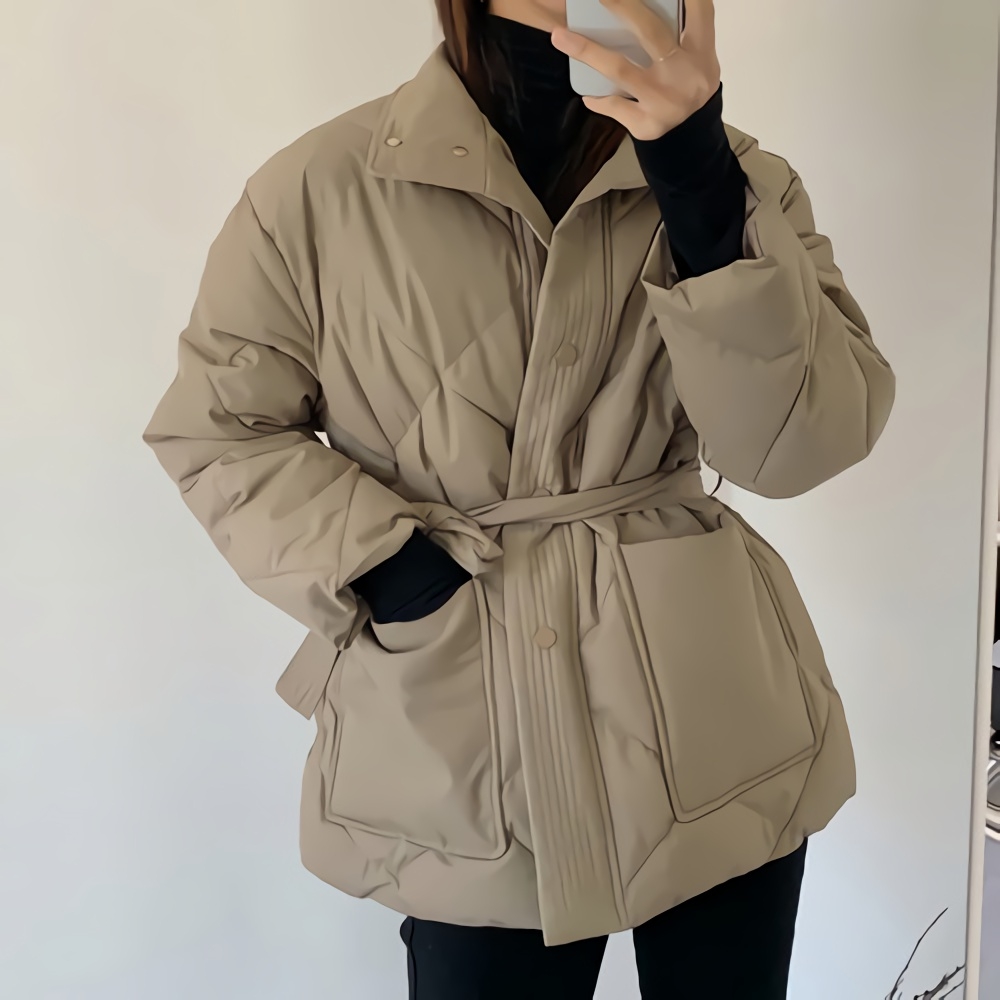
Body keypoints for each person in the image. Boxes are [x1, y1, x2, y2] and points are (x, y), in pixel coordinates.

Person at [144, 0, 895, 996]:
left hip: (713, 731)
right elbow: (219, 429)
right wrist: (387, 566)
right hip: (464, 743)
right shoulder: (319, 190)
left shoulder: (740, 180)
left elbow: (801, 445)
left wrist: (699, 183)